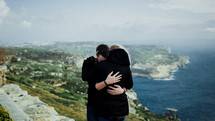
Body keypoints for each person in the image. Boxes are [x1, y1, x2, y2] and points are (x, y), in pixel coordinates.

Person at [83, 44, 133, 121]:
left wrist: (87, 63)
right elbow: (129, 85)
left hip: (105, 109)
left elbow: (87, 79)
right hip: (121, 109)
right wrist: (123, 90)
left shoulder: (100, 66)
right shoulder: (126, 67)